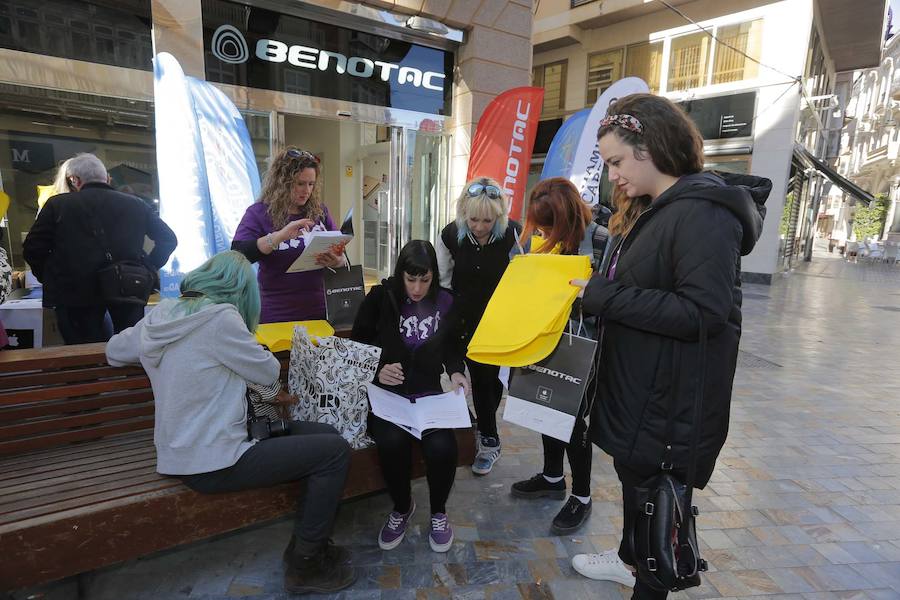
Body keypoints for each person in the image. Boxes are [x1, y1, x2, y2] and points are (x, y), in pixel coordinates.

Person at [567, 94, 769, 597]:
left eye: (616, 161)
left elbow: (702, 312)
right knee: (640, 504)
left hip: (669, 409)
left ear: (650, 146)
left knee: (659, 525)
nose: (611, 174)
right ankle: (625, 559)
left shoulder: (702, 214)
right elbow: (650, 289)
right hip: (643, 396)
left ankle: (643, 576)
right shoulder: (655, 210)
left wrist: (603, 296)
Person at [105, 251, 355, 594]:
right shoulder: (222, 319)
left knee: (324, 434)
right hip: (218, 459)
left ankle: (313, 541)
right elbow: (267, 372)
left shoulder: (162, 314)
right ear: (240, 291)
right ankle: (305, 565)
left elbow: (114, 351)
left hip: (185, 451)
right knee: (334, 452)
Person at [351, 240, 470, 553]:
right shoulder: (381, 297)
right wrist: (377, 369)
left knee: (443, 446)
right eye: (411, 279)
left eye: (425, 280)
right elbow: (359, 344)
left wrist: (457, 371)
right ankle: (402, 507)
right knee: (391, 443)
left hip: (429, 394)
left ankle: (439, 512)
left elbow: (452, 348)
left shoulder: (446, 301)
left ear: (434, 277)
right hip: (389, 394)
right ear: (400, 274)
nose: (417, 289)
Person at [510, 177, 609, 535]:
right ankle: (553, 477)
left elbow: (613, 294)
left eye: (552, 225)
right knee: (544, 408)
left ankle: (581, 496)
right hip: (543, 338)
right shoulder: (535, 240)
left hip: (582, 345)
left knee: (574, 421)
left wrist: (586, 296)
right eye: (541, 225)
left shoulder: (600, 239)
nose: (546, 232)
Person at [22, 153, 177, 345]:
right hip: (127, 288)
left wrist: (49, 276)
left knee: (83, 353)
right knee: (129, 350)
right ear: (107, 178)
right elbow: (168, 240)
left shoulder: (58, 205)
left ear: (74, 180)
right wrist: (148, 267)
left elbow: (32, 248)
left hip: (74, 293)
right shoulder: (136, 204)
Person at [435, 177, 523, 476]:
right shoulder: (450, 235)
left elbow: (523, 281)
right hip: (460, 319)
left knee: (489, 383)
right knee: (461, 377)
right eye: (473, 219)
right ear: (463, 212)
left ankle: (489, 438)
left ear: (500, 215)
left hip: (498, 323)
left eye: (488, 220)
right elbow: (443, 283)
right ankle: (478, 425)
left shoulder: (514, 235)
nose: (480, 227)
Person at [232, 148, 345, 324]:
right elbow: (238, 253)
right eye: (300, 183)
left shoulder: (319, 212)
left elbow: (341, 256)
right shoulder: (259, 213)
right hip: (278, 313)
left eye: (311, 184)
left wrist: (337, 262)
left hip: (320, 310)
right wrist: (278, 237)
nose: (306, 191)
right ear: (282, 182)